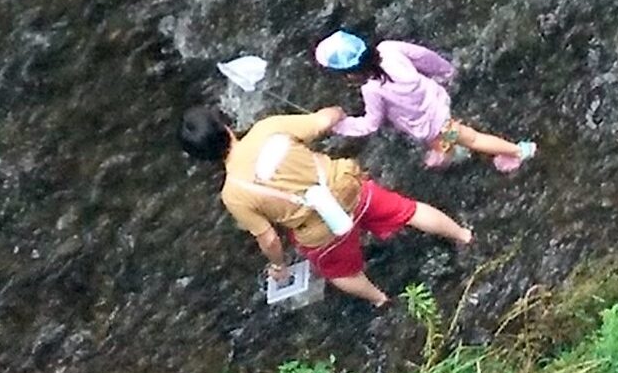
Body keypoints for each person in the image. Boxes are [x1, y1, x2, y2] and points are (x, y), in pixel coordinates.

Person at [178, 104, 472, 307]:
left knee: (340, 274)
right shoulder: (268, 128)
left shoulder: (233, 193)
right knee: (410, 211)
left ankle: (382, 300)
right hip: (347, 188)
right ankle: (463, 236)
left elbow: (268, 238)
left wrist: (279, 266)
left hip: (320, 230)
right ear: (226, 126)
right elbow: (322, 121)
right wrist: (336, 112)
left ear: (202, 158)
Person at [316, 31, 536, 174]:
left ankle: (517, 151)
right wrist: (446, 71)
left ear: (350, 73)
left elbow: (371, 123)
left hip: (433, 126)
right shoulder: (389, 48)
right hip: (437, 100)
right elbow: (424, 56)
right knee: (446, 141)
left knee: (471, 139)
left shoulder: (372, 89)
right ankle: (449, 150)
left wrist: (338, 125)